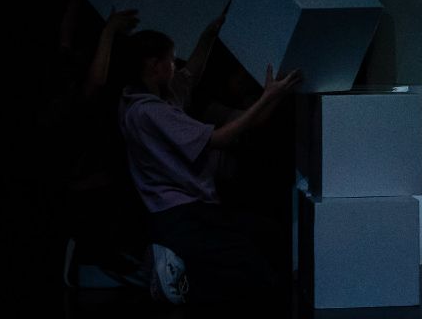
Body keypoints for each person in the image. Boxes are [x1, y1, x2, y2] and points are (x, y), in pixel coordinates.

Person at [117, 29, 301, 304]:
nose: (175, 66)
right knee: (254, 275)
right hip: (182, 215)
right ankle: (168, 262)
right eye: (170, 60)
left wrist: (208, 35)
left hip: (192, 209)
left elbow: (190, 74)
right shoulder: (149, 111)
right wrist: (268, 96)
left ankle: (175, 261)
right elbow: (219, 138)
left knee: (264, 237)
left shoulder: (145, 97)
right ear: (154, 65)